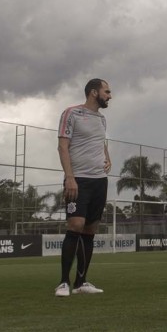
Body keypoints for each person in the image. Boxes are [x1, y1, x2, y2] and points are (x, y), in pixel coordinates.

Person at [54, 79, 112, 297]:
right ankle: (63, 283)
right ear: (94, 92)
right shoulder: (71, 113)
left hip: (99, 181)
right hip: (78, 179)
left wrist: (107, 158)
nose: (110, 96)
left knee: (90, 229)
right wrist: (69, 177)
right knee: (76, 225)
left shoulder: (102, 119)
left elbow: (100, 141)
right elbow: (62, 146)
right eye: (107, 91)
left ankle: (81, 282)